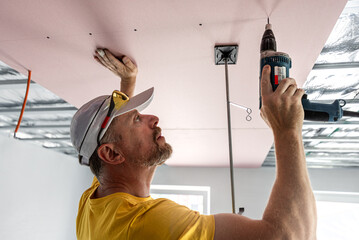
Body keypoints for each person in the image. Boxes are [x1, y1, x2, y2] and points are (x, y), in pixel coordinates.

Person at [70, 48, 317, 239]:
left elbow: (119, 144)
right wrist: (287, 130)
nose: (153, 118)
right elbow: (289, 236)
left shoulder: (96, 199)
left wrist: (128, 83)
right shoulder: (146, 224)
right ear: (111, 154)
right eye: (137, 119)